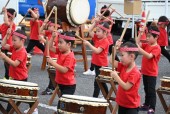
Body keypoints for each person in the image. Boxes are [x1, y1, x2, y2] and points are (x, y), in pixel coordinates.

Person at [0, 29, 38, 114]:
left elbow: (14, 64)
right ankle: (9, 111)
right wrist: (7, 35)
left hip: (21, 78)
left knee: (15, 97)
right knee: (11, 97)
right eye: (12, 40)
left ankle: (33, 109)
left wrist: (5, 57)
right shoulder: (14, 47)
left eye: (14, 40)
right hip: (14, 77)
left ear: (23, 40)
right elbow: (3, 45)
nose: (12, 42)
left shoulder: (22, 52)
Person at [110, 41, 141, 114]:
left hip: (131, 107)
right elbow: (111, 61)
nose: (120, 58)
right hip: (122, 104)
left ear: (131, 56)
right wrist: (115, 48)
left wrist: (116, 76)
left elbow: (126, 87)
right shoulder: (124, 66)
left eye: (122, 55)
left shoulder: (135, 72)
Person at [136, 25, 161, 114]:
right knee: (146, 89)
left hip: (152, 73)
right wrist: (140, 33)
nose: (147, 38)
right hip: (145, 71)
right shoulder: (147, 45)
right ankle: (146, 105)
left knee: (151, 91)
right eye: (147, 36)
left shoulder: (157, 48)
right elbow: (137, 43)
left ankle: (152, 107)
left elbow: (149, 56)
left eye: (149, 36)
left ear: (156, 37)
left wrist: (139, 49)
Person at [83, 20, 110, 98]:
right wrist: (95, 22)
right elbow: (89, 30)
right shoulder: (97, 38)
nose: (96, 33)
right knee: (100, 82)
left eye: (98, 31)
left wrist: (88, 44)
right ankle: (107, 96)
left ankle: (95, 98)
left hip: (102, 65)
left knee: (98, 82)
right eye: (96, 31)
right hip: (97, 64)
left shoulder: (105, 41)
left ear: (105, 33)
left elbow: (97, 51)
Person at [47, 31, 76, 96]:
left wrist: (52, 62)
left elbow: (64, 70)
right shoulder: (61, 51)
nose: (58, 44)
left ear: (69, 44)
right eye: (58, 42)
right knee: (62, 104)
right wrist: (52, 37)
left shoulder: (70, 56)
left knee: (63, 105)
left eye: (60, 42)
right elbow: (50, 47)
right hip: (61, 83)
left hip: (68, 86)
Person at [39, 18, 61, 95]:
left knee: (52, 73)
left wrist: (43, 40)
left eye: (50, 26)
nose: (48, 27)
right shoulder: (49, 32)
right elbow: (40, 31)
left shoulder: (56, 35)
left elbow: (52, 46)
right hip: (49, 55)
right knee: (50, 73)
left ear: (56, 27)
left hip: (53, 56)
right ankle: (52, 87)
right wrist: (44, 24)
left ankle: (51, 88)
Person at [0, 7, 16, 79]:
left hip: (9, 47)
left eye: (8, 16)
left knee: (8, 64)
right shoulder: (2, 25)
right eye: (5, 15)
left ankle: (9, 77)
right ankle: (8, 76)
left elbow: (7, 22)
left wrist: (5, 12)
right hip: (4, 46)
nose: (6, 17)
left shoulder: (12, 25)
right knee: (5, 63)